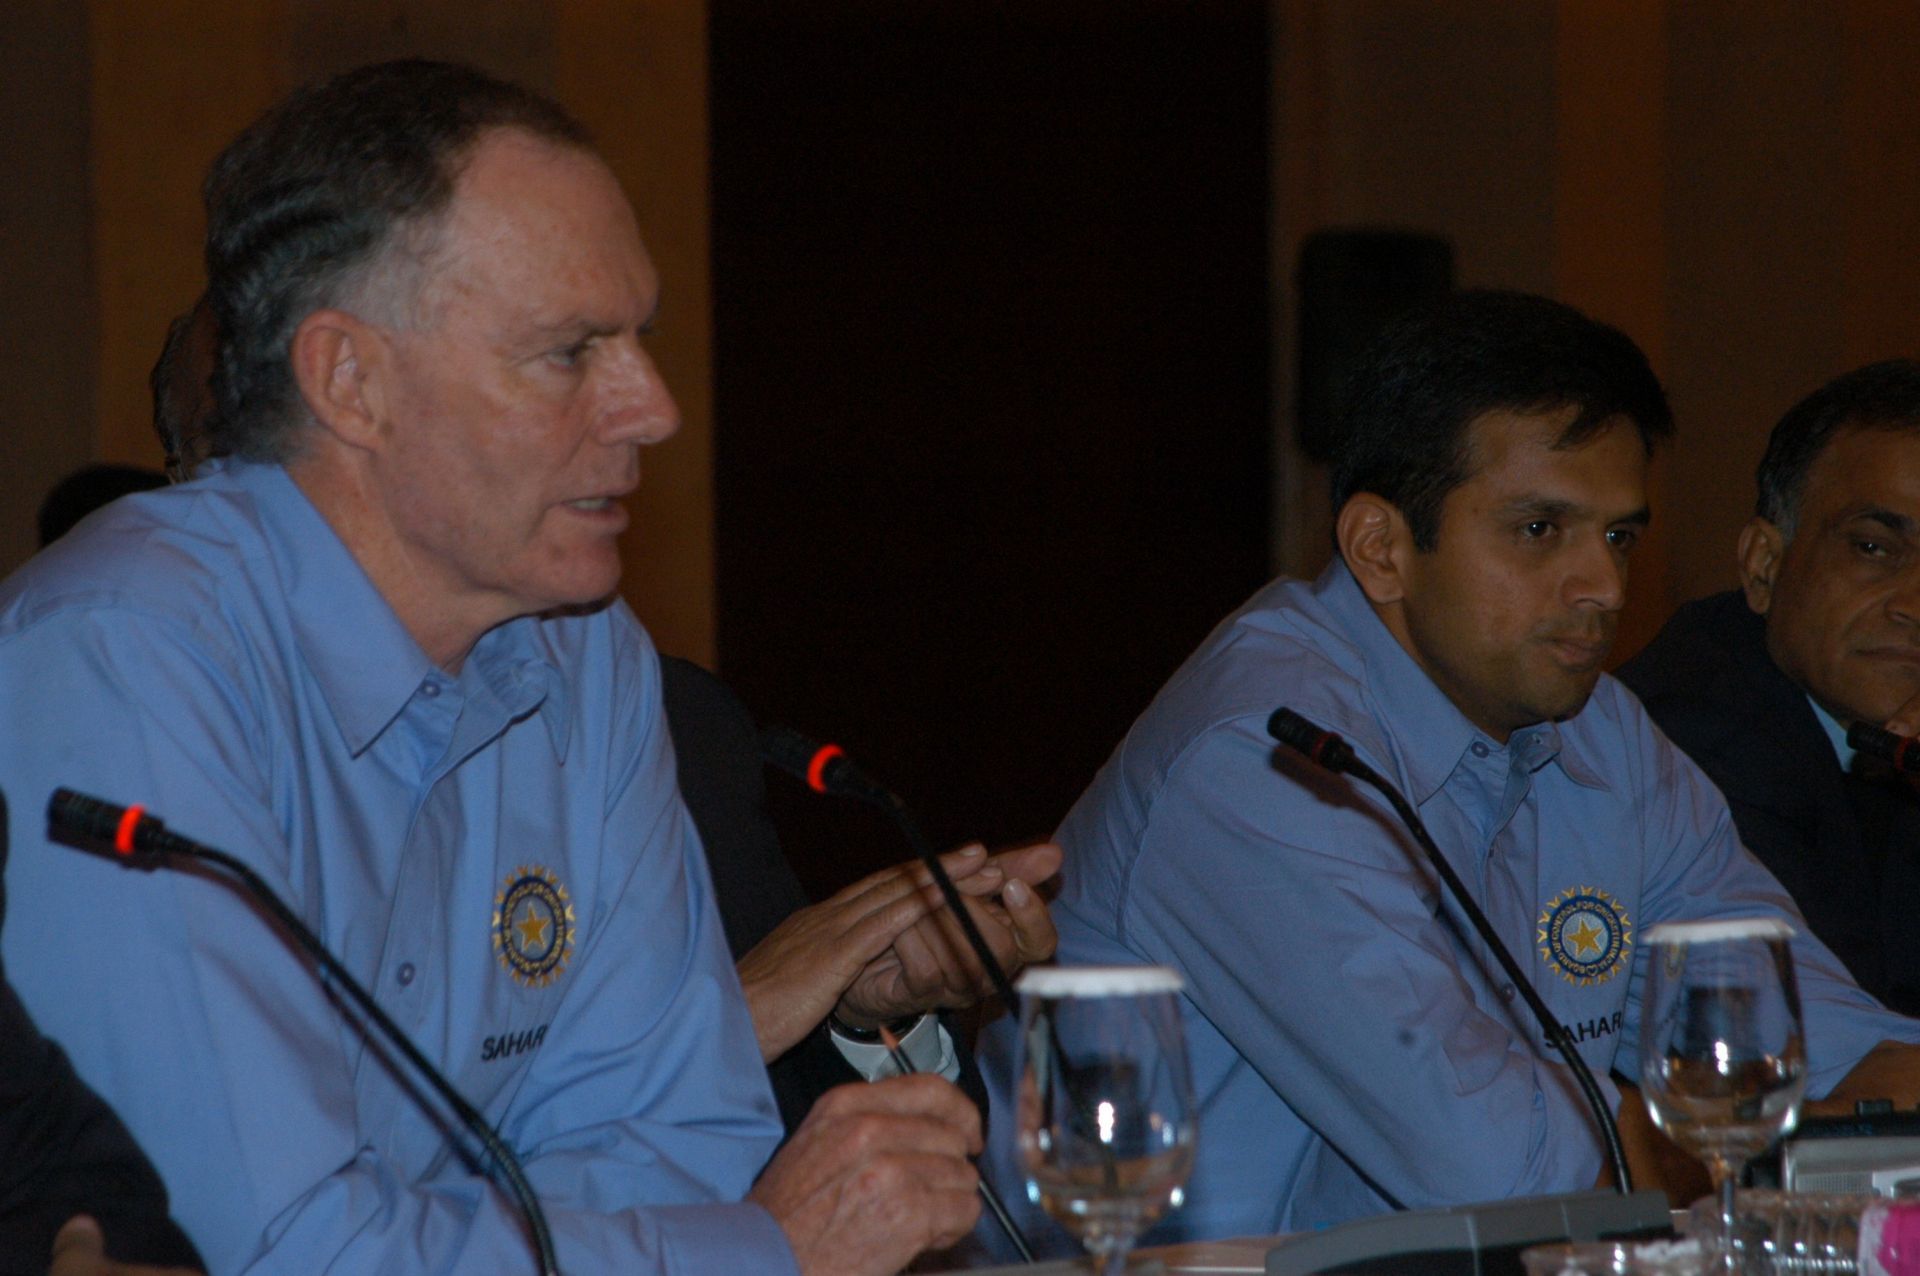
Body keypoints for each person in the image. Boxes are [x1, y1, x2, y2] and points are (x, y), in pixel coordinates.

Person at [0, 60, 989, 1274]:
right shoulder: (123, 660)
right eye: (573, 351)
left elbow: (677, 1145)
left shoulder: (586, 656)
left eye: (642, 338)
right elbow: (256, 1246)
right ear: (351, 381)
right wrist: (752, 1256)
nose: (655, 407)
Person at [982, 291, 1920, 1247]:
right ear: (1381, 550)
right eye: (1540, 531)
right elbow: (1493, 1175)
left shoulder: (1600, 727)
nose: (1602, 587)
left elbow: (1807, 1037)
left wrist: (1846, 1095)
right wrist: (1709, 1135)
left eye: (1620, 536)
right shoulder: (1266, 752)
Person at [147, 297, 1059, 1140]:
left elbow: (805, 1146)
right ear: (179, 494)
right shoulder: (155, 761)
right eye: (249, 462)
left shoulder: (668, 722)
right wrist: (720, 1023)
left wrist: (862, 1014)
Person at [1620, 360, 1920, 1015]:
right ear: (1764, 566)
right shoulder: (1693, 735)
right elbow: (1840, 1028)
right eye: (1873, 548)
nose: (1914, 604)